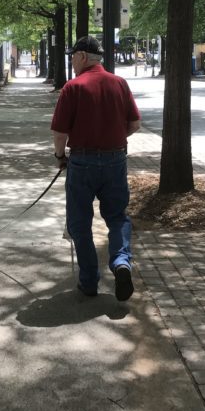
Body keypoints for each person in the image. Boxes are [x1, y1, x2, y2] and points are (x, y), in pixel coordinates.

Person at [51, 36, 141, 301]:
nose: (71, 61)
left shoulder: (73, 87)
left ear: (81, 57)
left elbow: (59, 132)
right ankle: (122, 262)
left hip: (82, 162)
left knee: (80, 222)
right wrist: (112, 138)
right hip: (116, 160)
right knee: (117, 217)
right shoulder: (119, 83)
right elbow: (135, 125)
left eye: (72, 56)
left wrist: (59, 156)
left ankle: (89, 281)